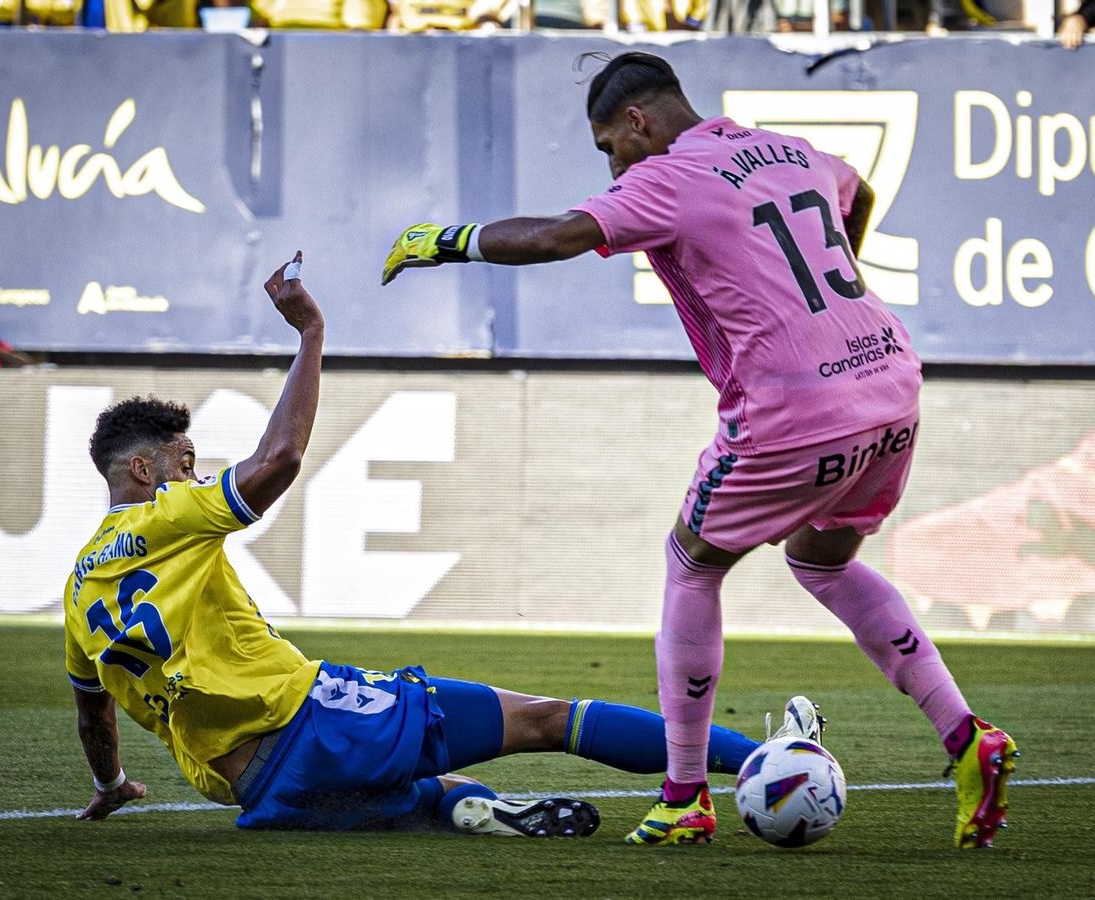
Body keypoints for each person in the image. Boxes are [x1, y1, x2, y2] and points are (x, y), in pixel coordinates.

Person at [380, 51, 1017, 848]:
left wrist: (445, 240)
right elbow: (859, 187)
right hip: (890, 382)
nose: (613, 166)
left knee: (693, 562)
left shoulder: (667, 178)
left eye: (610, 147)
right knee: (821, 563)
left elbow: (553, 237)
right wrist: (833, 278)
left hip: (794, 406)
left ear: (638, 123)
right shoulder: (788, 150)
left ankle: (685, 796)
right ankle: (966, 737)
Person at [67, 252, 814, 835]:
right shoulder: (168, 518)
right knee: (545, 718)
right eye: (183, 462)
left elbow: (93, 716)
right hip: (314, 722)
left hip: (259, 791)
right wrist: (311, 334)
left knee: (435, 793)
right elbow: (279, 461)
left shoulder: (75, 597)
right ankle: (767, 759)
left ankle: (462, 811)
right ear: (141, 468)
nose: (194, 474)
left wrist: (111, 787)